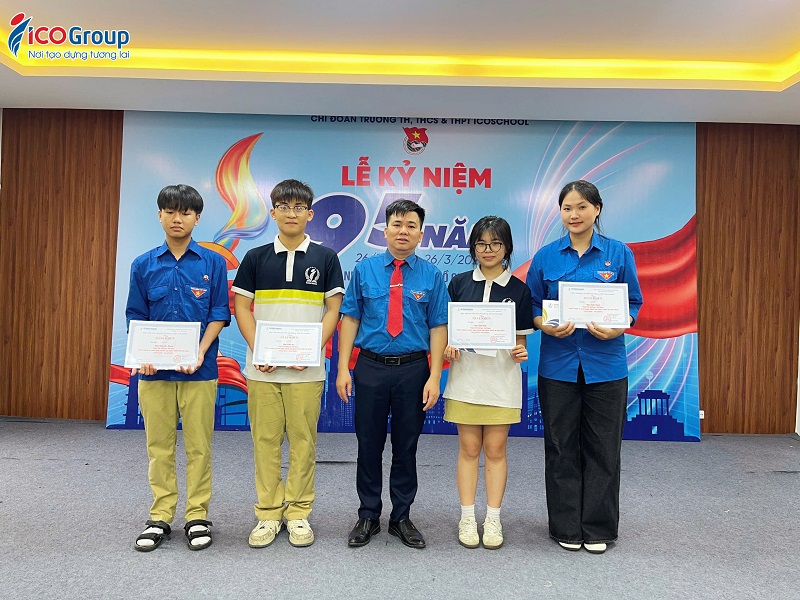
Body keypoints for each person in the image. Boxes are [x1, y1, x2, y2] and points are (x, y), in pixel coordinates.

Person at [525, 180, 643, 554]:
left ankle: (598, 527)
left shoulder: (618, 253)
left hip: (606, 367)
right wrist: (543, 324)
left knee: (604, 448)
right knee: (560, 446)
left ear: (597, 209)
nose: (573, 215)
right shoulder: (546, 257)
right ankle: (565, 525)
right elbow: (532, 305)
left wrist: (620, 324)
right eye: (567, 208)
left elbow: (634, 302)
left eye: (581, 207)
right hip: (557, 366)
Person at [232, 179, 344, 549]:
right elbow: (241, 307)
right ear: (273, 212)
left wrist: (310, 350)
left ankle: (297, 513)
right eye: (284, 206)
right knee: (264, 442)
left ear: (310, 214)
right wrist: (259, 350)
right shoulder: (255, 257)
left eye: (298, 208)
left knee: (303, 443)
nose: (291, 213)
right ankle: (267, 513)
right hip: (262, 370)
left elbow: (333, 310)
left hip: (306, 371)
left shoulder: (326, 258)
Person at [336, 199, 449, 549]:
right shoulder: (364, 271)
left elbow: (438, 327)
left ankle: (401, 516)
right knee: (368, 445)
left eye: (411, 225)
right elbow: (350, 319)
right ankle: (368, 515)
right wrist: (343, 368)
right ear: (384, 231)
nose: (403, 231)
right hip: (369, 368)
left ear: (421, 233)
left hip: (414, 370)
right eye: (397, 224)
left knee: (406, 446)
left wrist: (434, 376)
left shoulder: (432, 275)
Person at [126, 184, 231, 552]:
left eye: (185, 212)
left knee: (199, 447)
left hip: (199, 371)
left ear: (197, 218)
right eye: (170, 211)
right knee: (159, 446)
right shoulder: (143, 264)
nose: (177, 218)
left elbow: (219, 313)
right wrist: (143, 353)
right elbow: (136, 315)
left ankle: (197, 515)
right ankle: (160, 515)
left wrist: (200, 351)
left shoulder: (213, 263)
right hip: (154, 373)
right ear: (159, 215)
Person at [442, 216, 533, 550]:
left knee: (495, 450)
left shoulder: (519, 290)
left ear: (506, 247)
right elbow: (447, 331)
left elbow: (520, 341)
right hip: (465, 381)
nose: (488, 249)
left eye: (496, 243)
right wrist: (449, 347)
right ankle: (467, 517)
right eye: (481, 244)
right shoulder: (459, 284)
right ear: (473, 248)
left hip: (501, 382)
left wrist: (520, 352)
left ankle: (493, 518)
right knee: (468, 450)